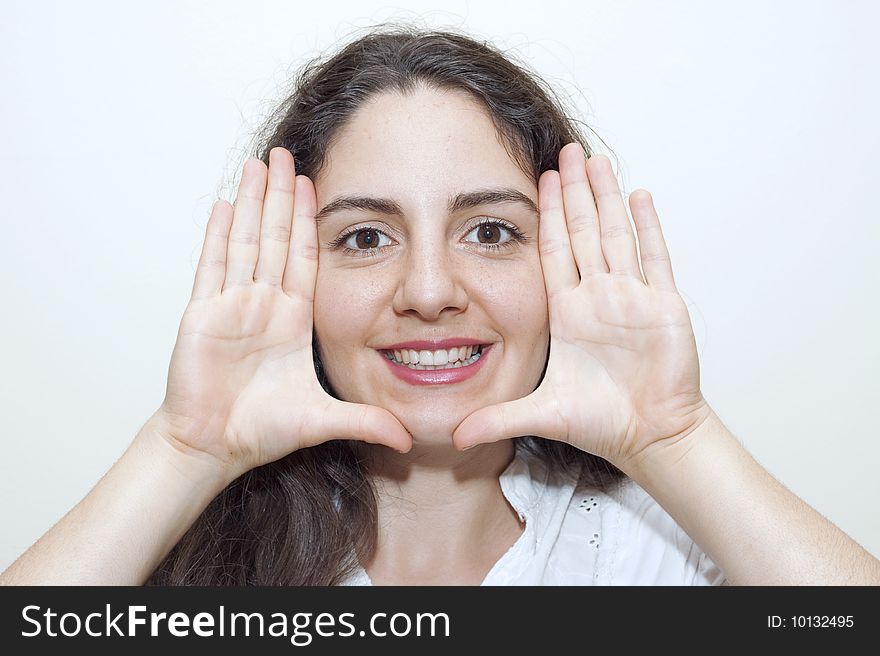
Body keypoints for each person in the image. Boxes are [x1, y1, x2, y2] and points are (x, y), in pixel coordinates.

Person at [2, 25, 878, 587]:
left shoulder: (663, 553)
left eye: (490, 231)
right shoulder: (181, 562)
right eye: (365, 237)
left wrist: (675, 440)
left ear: (564, 260)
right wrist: (184, 449)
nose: (428, 292)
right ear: (292, 277)